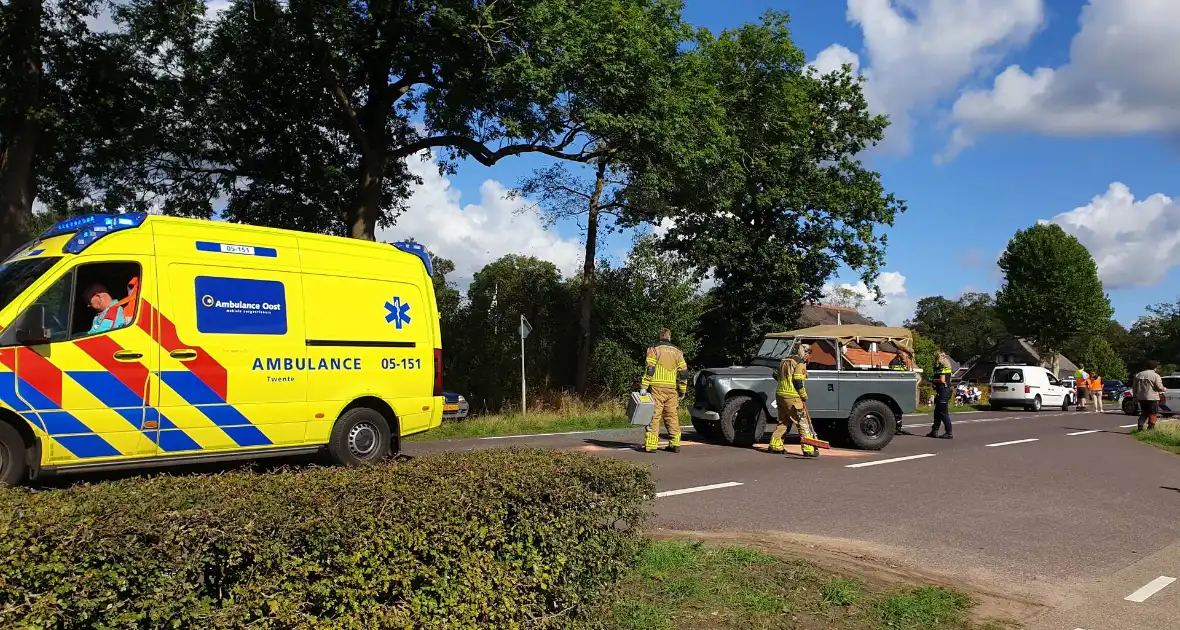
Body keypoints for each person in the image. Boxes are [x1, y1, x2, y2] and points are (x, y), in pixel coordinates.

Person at [639, 328, 689, 453]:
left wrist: (644, 386)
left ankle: (650, 445)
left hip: (657, 387)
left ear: (660, 337)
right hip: (671, 388)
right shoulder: (678, 352)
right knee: (672, 416)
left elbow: (650, 369)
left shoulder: (654, 349)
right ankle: (675, 443)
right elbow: (683, 373)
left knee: (654, 416)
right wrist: (682, 390)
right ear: (669, 337)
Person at [770, 343, 819, 458]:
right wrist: (803, 395)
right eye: (809, 354)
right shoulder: (800, 363)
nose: (809, 358)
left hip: (780, 395)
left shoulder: (784, 360)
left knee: (784, 421)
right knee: (803, 422)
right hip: (793, 396)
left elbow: (775, 374)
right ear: (806, 352)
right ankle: (809, 448)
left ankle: (775, 444)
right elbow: (797, 381)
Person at [1133, 361, 1167, 431]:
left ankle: (1140, 426)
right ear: (1155, 368)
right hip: (1152, 397)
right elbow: (1159, 387)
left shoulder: (1138, 375)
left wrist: (1135, 397)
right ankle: (1150, 428)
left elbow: (1134, 387)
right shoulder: (1155, 375)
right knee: (1153, 413)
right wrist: (1164, 389)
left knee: (1144, 412)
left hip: (1141, 397)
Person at [927, 353, 953, 439]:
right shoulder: (946, 367)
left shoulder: (942, 367)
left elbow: (942, 380)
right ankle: (934, 430)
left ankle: (949, 432)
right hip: (942, 391)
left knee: (943, 412)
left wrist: (933, 380)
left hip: (943, 392)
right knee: (937, 412)